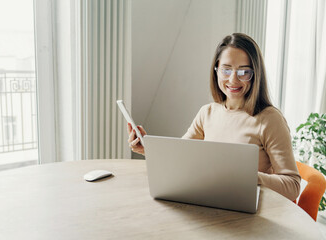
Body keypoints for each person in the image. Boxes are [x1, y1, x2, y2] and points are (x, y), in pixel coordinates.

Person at [127, 33, 301, 201]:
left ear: (255, 75)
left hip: (246, 214)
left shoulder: (270, 119)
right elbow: (180, 158)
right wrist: (147, 148)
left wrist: (249, 177)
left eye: (243, 72)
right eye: (226, 70)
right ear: (216, 70)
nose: (233, 80)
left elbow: (292, 186)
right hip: (209, 203)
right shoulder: (207, 113)